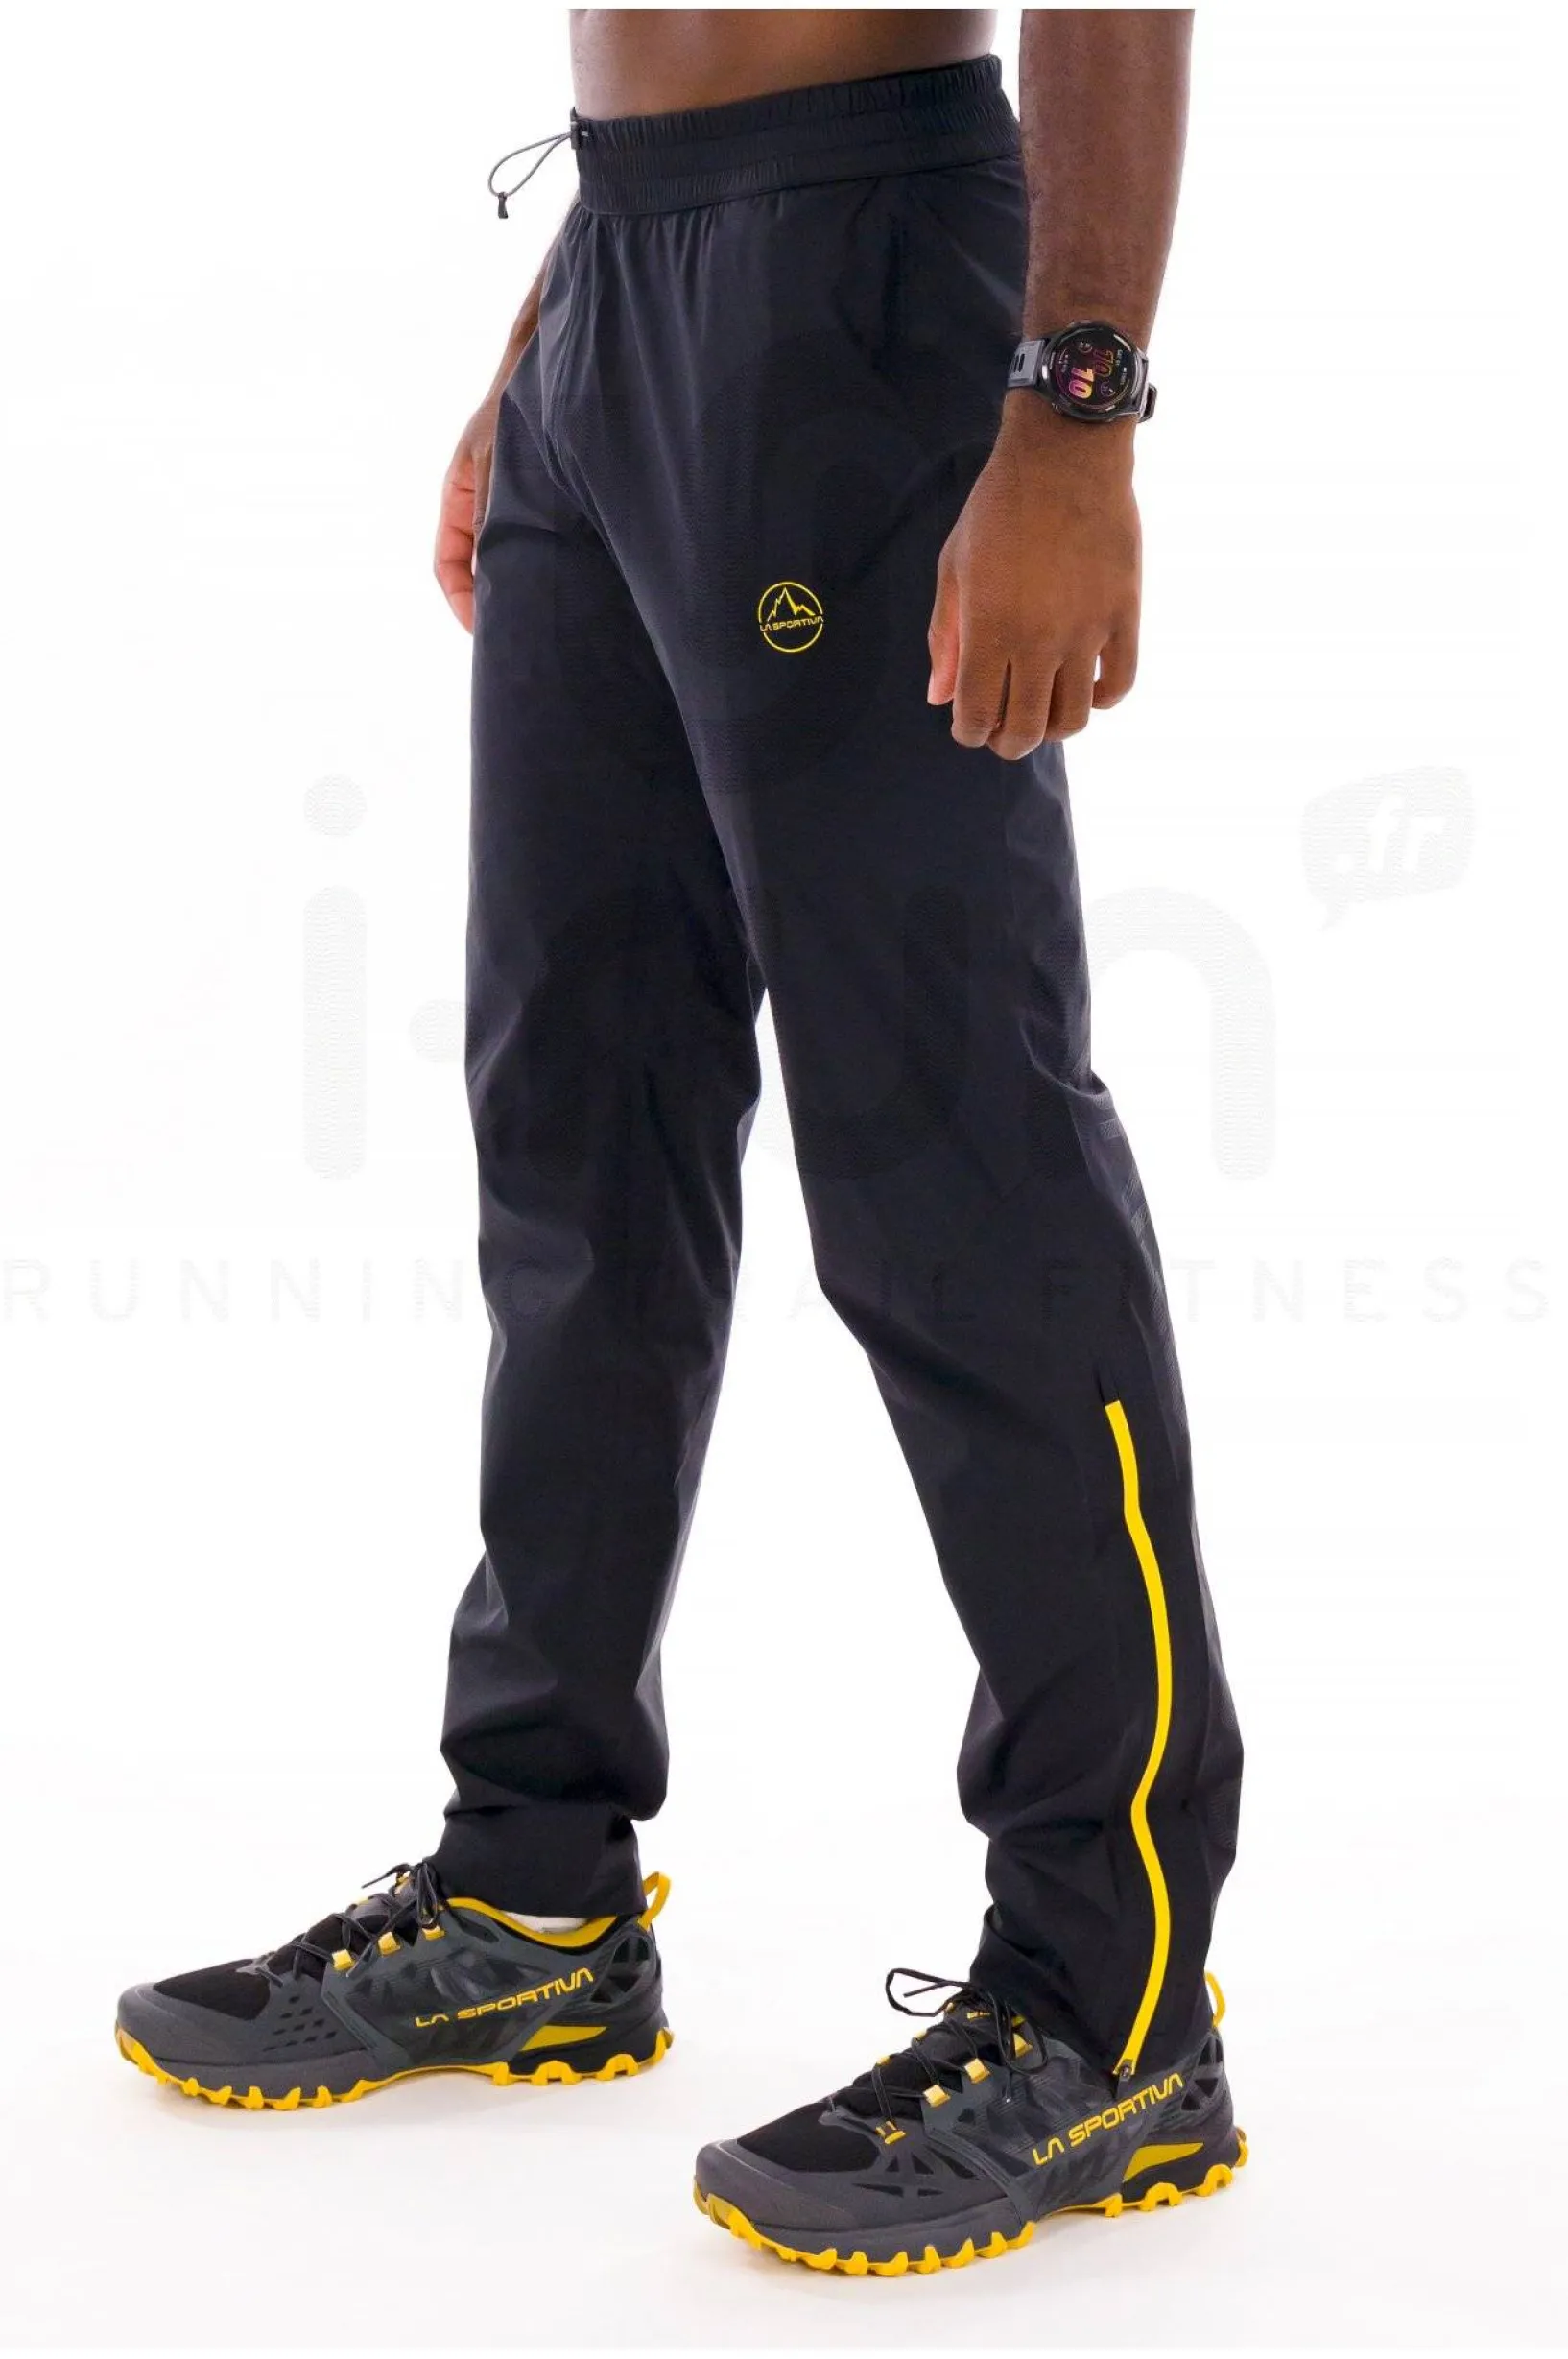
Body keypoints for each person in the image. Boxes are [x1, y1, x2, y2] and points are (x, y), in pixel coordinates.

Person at [117, 7, 1245, 2276]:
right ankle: (534, 1881)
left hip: (866, 290)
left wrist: (1076, 408)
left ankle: (1108, 2000)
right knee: (577, 1140)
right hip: (621, 286)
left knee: (950, 1168)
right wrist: (560, 332)